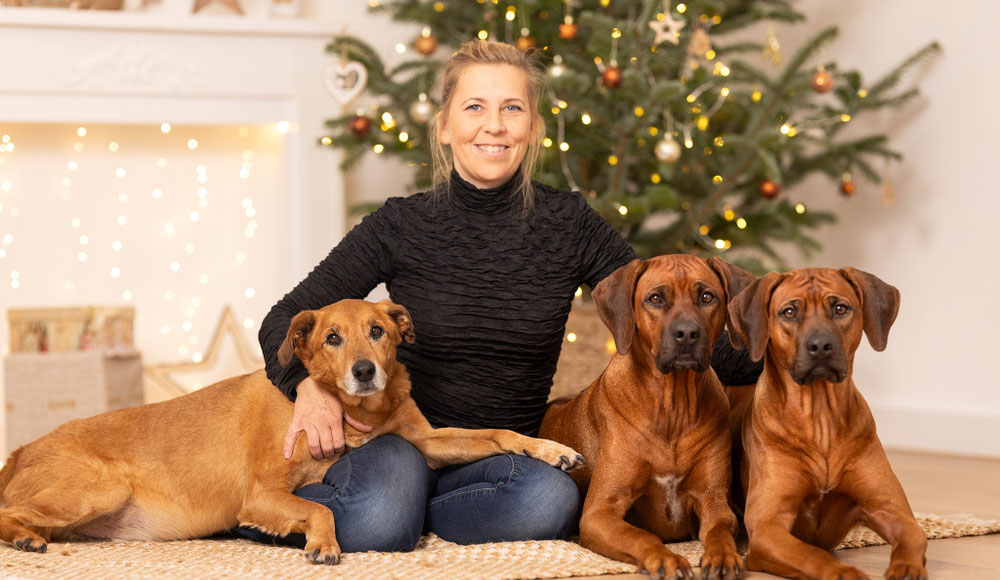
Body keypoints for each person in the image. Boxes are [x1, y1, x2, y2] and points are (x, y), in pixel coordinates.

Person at [234, 40, 758, 553]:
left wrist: (777, 350)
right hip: (405, 440)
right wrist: (308, 387)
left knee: (552, 501)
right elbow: (281, 319)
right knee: (379, 519)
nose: (495, 125)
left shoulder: (569, 224)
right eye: (474, 107)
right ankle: (273, 512)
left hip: (497, 451)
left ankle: (418, 515)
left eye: (513, 108)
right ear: (444, 125)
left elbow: (661, 316)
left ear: (532, 127)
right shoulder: (400, 224)